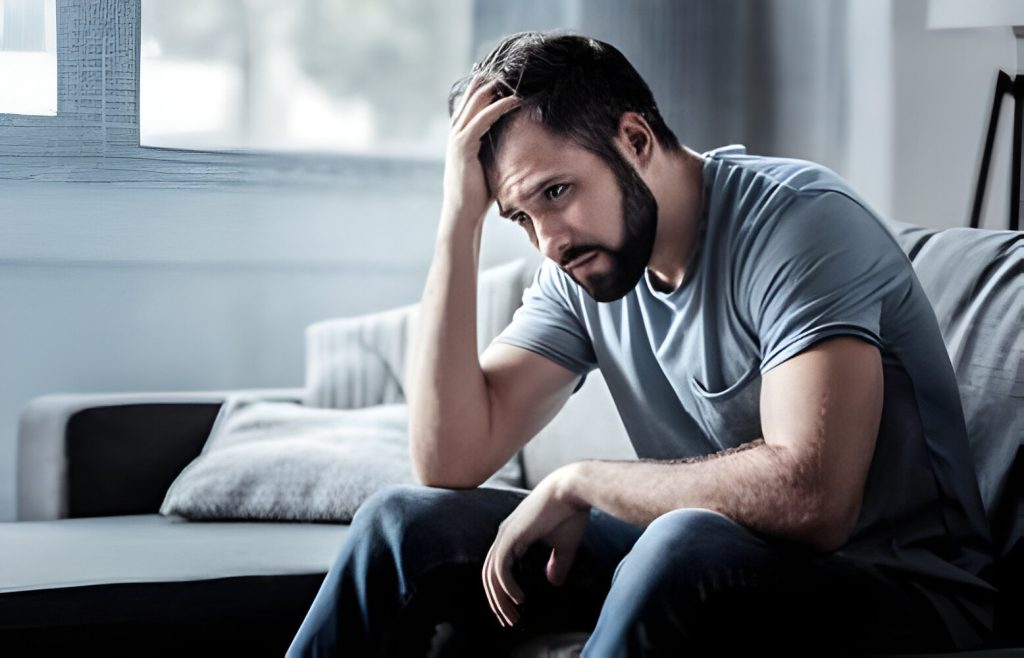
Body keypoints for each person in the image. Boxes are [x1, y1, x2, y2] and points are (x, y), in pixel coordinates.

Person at [286, 31, 998, 657]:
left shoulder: (800, 227)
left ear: (635, 139)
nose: (548, 241)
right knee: (403, 523)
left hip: (904, 589)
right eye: (520, 218)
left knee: (680, 542)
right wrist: (457, 223)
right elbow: (448, 458)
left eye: (557, 192)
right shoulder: (582, 265)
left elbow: (813, 498)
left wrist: (582, 481)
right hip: (712, 561)